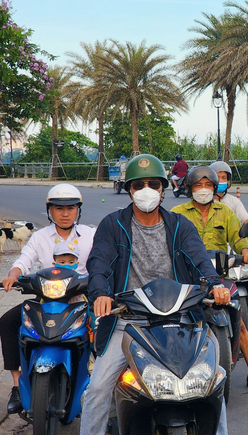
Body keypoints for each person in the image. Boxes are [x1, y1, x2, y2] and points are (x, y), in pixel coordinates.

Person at [81, 154, 231, 434]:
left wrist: (214, 284)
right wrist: (101, 293)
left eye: (153, 184)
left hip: (181, 320)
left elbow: (199, 259)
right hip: (127, 321)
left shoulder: (180, 226)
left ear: (163, 189)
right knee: (98, 389)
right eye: (139, 185)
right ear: (129, 190)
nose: (146, 190)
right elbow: (98, 263)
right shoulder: (113, 226)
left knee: (212, 385)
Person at [1, 184, 95, 415]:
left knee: (102, 324)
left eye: (71, 208)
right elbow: (24, 260)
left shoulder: (91, 235)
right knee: (8, 322)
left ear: (78, 210)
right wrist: (13, 275)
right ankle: (17, 385)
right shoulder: (40, 236)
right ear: (49, 211)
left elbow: (102, 262)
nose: (65, 213)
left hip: (81, 299)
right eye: (58, 208)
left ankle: (98, 382)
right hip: (46, 299)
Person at [171, 166, 248, 390]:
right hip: (188, 278)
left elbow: (238, 236)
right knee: (176, 322)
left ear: (215, 189)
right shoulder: (178, 213)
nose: (203, 190)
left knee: (240, 324)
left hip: (220, 274)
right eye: (198, 185)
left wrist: (245, 253)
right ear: (189, 188)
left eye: (207, 185)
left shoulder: (225, 212)